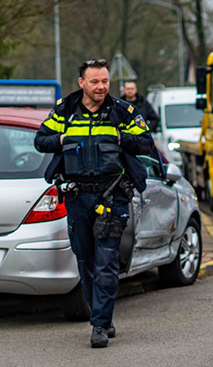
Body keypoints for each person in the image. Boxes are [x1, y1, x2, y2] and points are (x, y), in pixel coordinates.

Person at [35, 59, 155, 348]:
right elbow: (41, 140)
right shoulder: (65, 110)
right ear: (82, 83)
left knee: (106, 263)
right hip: (77, 196)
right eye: (95, 82)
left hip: (112, 196)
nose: (101, 87)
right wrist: (62, 138)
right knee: (85, 260)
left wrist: (120, 137)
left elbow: (146, 143)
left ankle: (99, 324)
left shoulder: (122, 111)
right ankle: (103, 316)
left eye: (104, 81)